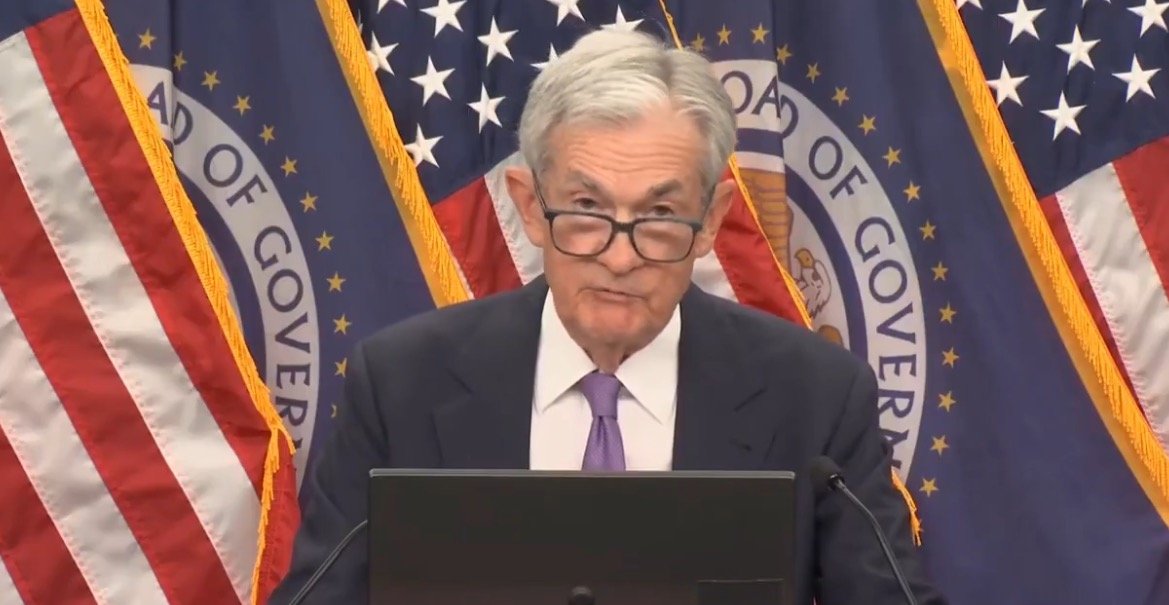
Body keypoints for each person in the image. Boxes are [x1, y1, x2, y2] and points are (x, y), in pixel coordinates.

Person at [269, 28, 947, 605]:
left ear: (709, 222)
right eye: (587, 210)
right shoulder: (402, 385)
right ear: (530, 206)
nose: (619, 259)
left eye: (657, 216)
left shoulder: (815, 396)